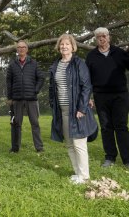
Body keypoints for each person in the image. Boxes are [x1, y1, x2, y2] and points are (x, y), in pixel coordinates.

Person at [86, 27, 129, 170]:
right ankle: (110, 157)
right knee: (106, 127)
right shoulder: (91, 56)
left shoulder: (119, 53)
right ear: (96, 39)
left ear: (109, 37)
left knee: (121, 127)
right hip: (100, 96)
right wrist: (88, 97)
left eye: (104, 36)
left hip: (120, 96)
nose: (101, 38)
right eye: (98, 37)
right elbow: (87, 79)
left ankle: (128, 160)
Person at [49, 34, 92, 184]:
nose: (64, 46)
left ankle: (84, 176)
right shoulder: (56, 65)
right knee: (69, 143)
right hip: (63, 110)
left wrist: (82, 108)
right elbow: (52, 88)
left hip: (77, 110)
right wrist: (53, 105)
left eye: (67, 44)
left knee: (79, 143)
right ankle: (77, 173)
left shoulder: (79, 63)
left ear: (72, 46)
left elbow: (86, 86)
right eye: (61, 44)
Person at [6, 40, 45, 153]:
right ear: (17, 50)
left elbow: (41, 78)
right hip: (16, 99)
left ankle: (39, 147)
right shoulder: (12, 65)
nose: (21, 49)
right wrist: (10, 97)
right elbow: (8, 81)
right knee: (16, 124)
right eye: (19, 47)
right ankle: (15, 148)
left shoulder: (33, 63)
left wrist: (35, 90)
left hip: (31, 98)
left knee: (35, 123)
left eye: (23, 47)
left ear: (27, 49)